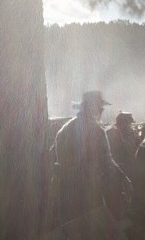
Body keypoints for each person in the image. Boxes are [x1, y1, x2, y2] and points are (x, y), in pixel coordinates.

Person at [53, 91, 130, 224]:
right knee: (94, 229)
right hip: (88, 190)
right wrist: (123, 178)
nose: (102, 110)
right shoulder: (96, 130)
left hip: (65, 191)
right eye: (100, 107)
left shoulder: (64, 130)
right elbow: (107, 162)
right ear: (93, 107)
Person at [106, 111, 139, 182]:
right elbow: (127, 150)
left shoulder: (130, 133)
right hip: (118, 170)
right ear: (123, 124)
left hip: (129, 168)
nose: (130, 127)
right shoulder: (112, 133)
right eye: (129, 124)